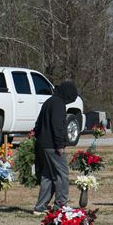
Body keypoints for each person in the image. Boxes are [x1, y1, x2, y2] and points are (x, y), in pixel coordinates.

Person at [33, 80, 80, 213]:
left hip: (43, 144)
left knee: (47, 176)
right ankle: (61, 204)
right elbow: (57, 126)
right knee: (62, 175)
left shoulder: (49, 101)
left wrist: (36, 136)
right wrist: (60, 145)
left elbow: (38, 123)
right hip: (53, 146)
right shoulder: (58, 104)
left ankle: (40, 207)